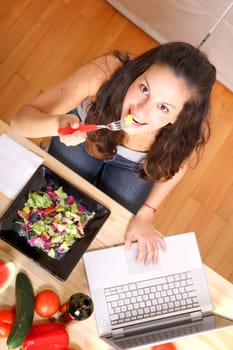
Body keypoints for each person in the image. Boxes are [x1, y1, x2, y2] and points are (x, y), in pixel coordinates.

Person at [10, 42, 216, 265]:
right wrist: (58, 125)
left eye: (163, 107)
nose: (140, 110)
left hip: (137, 165)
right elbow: (20, 122)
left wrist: (147, 214)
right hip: (85, 139)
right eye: (144, 89)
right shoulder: (107, 71)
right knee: (53, 195)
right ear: (137, 73)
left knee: (105, 224)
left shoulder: (189, 126)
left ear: (180, 117)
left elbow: (177, 166)